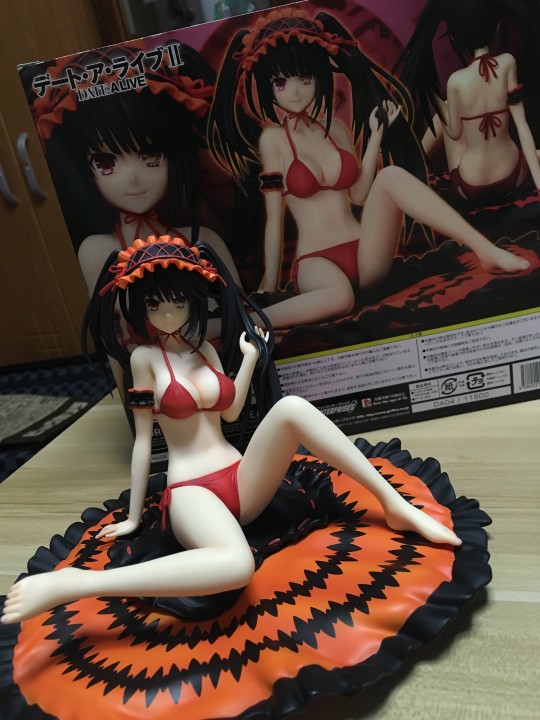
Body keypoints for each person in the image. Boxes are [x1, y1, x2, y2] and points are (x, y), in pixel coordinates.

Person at [1, 234, 461, 625]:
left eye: (179, 302)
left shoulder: (205, 351)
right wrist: (136, 516)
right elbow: (143, 440)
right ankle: (79, 584)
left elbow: (231, 413)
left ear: (193, 301)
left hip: (240, 480)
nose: (168, 315)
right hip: (191, 492)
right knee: (237, 566)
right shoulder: (144, 360)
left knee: (292, 407)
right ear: (140, 307)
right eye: (156, 305)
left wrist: (249, 361)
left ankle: (393, 504)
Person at [208, 7, 529, 331]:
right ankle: (241, 323)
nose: (295, 91)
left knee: (390, 176)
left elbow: (359, 195)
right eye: (281, 82)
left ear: (320, 76)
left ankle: (485, 249)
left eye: (305, 78)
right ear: (268, 86)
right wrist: (268, 285)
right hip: (317, 262)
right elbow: (274, 221)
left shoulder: (335, 130)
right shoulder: (274, 139)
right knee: (340, 298)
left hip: (365, 251)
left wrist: (375, 136)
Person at [24, 40, 240, 296]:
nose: (133, 177)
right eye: (105, 162)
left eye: (151, 155)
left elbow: (242, 310)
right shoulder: (97, 252)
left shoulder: (204, 240)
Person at [395, 0, 540, 202]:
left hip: (470, 186)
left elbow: (454, 133)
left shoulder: (456, 81)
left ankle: (418, 163)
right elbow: (522, 125)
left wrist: (433, 93)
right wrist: (539, 182)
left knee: (449, 107)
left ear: (454, 38)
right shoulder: (508, 62)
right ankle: (418, 162)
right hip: (513, 176)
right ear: (497, 25)